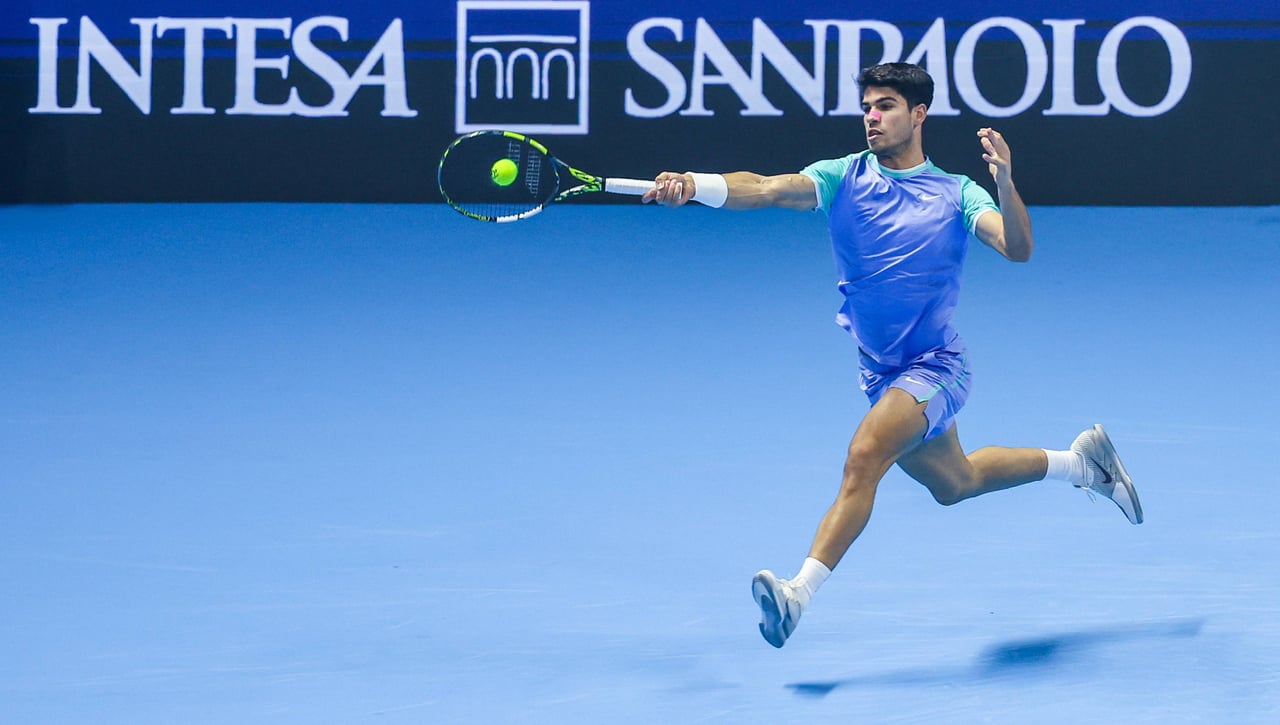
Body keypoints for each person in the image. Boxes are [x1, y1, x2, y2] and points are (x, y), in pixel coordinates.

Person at [641, 62, 1143, 649]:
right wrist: (695, 184)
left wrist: (1006, 184)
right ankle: (1082, 464)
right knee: (956, 482)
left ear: (918, 114)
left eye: (885, 106)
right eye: (867, 107)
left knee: (864, 456)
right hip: (881, 373)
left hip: (936, 368)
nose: (872, 117)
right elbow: (766, 187)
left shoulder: (957, 193)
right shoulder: (841, 177)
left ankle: (797, 594)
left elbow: (1018, 248)